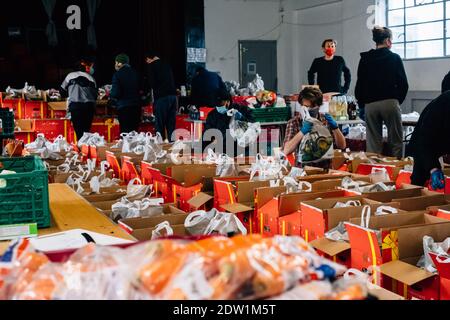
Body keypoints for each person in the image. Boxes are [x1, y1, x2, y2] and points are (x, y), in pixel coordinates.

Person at [355, 26, 409, 159]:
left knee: (373, 143)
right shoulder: (394, 58)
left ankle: (374, 171)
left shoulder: (365, 59)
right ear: (387, 41)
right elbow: (403, 84)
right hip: (390, 102)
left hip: (370, 105)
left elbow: (359, 84)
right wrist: (396, 100)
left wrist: (362, 104)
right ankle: (396, 168)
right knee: (395, 140)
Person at [283, 87, 346, 169]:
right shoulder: (294, 122)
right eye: (306, 106)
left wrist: (335, 128)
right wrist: (302, 132)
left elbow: (342, 146)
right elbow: (286, 150)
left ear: (319, 106)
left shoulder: (325, 120)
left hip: (325, 169)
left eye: (312, 107)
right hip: (303, 171)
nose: (309, 109)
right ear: (301, 106)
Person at [406, 91, 450, 190]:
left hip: (440, 137)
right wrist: (433, 168)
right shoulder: (440, 107)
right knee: (419, 175)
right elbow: (424, 143)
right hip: (427, 139)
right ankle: (414, 199)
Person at [204, 88, 254, 156]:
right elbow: (208, 132)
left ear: (228, 102)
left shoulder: (241, 109)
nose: (218, 107)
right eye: (217, 105)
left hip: (241, 150)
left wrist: (242, 117)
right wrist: (213, 140)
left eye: (221, 104)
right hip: (221, 151)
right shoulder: (212, 115)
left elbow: (252, 125)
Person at [61, 58, 97, 140]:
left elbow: (62, 91)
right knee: (86, 131)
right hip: (89, 107)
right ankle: (85, 148)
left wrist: (71, 92)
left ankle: (81, 148)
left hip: (76, 107)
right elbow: (95, 96)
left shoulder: (70, 76)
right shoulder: (91, 78)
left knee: (78, 131)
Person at [145, 51, 177, 142]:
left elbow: (152, 84)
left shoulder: (152, 66)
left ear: (149, 59)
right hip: (173, 97)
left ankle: (160, 147)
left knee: (159, 125)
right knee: (171, 125)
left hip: (162, 98)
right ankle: (173, 146)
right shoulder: (167, 65)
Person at [110, 54, 141, 134]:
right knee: (135, 133)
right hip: (136, 107)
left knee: (125, 134)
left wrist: (111, 95)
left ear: (119, 63)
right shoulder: (136, 73)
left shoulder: (117, 75)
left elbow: (115, 93)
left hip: (124, 108)